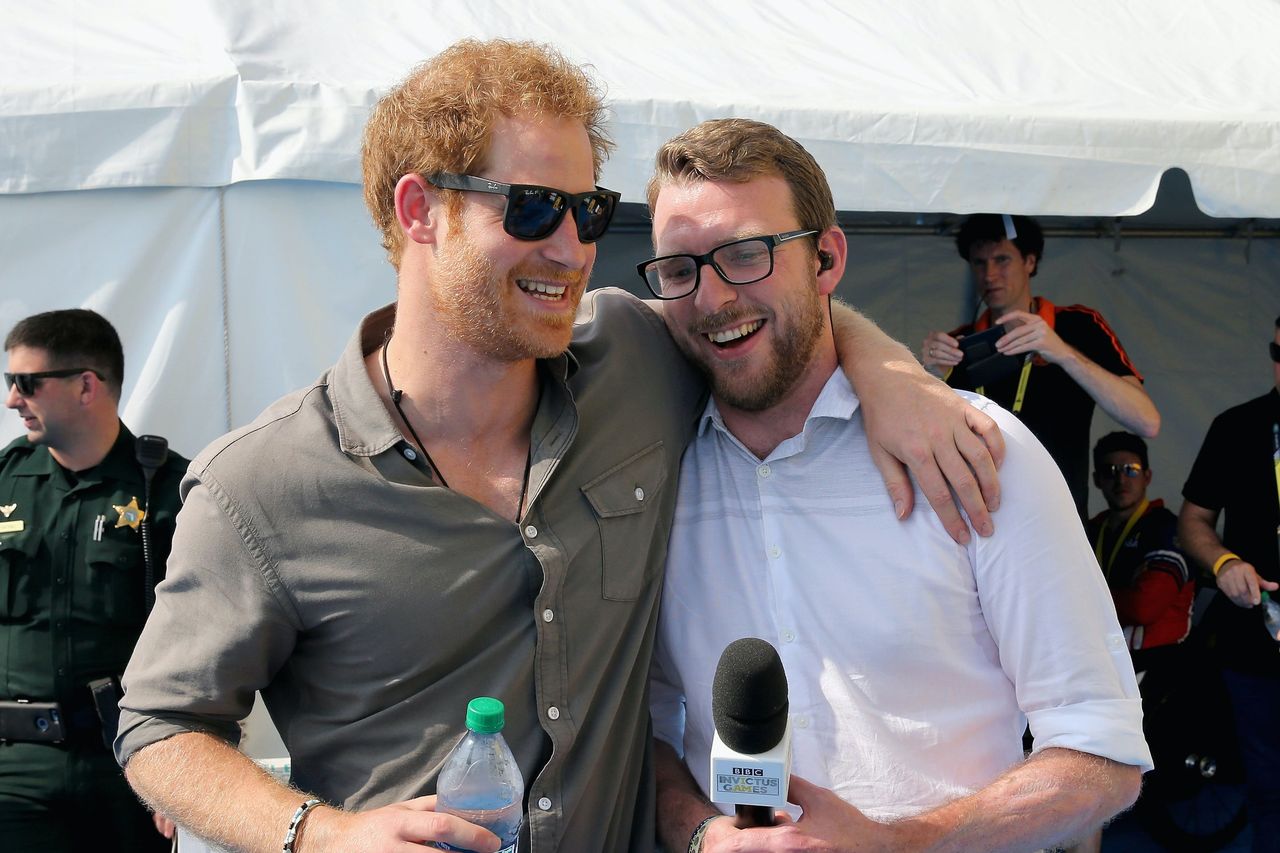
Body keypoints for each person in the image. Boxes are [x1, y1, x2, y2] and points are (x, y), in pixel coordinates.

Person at [114, 40, 1004, 853]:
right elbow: (158, 726)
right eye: (536, 208)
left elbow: (763, 308)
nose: (575, 246)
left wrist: (895, 376)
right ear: (421, 209)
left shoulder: (636, 359)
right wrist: (317, 834)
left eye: (588, 209)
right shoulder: (261, 483)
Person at [645, 119, 1150, 853]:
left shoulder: (977, 452)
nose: (712, 296)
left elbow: (1101, 752)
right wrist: (699, 834)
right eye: (679, 269)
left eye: (747, 255)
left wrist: (902, 842)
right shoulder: (650, 475)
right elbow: (652, 730)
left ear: (827, 258)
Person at [0, 309, 187, 852]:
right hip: (17, 769)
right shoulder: (6, 480)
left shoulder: (168, 490)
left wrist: (186, 766)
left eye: (27, 383)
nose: (13, 399)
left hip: (130, 763)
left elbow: (209, 640)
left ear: (86, 385)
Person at [922, 213, 1160, 517]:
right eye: (979, 263)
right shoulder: (957, 345)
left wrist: (1062, 352)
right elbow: (923, 445)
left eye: (1002, 259)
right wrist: (928, 376)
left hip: (1060, 524)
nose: (990, 274)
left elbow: (1146, 421)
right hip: (983, 525)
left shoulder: (1077, 326)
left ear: (1030, 262)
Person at [1179, 315, 1280, 852]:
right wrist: (1223, 564)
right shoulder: (1238, 426)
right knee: (1267, 785)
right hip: (1255, 639)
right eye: (1278, 352)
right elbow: (1193, 521)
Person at [1086, 431, 1193, 673]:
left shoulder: (1168, 528)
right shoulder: (1088, 529)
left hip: (1159, 664)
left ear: (1147, 476)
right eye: (1110, 471)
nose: (1121, 480)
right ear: (1096, 480)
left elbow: (1144, 607)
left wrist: (1087, 593)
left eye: (1130, 469)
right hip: (1100, 661)